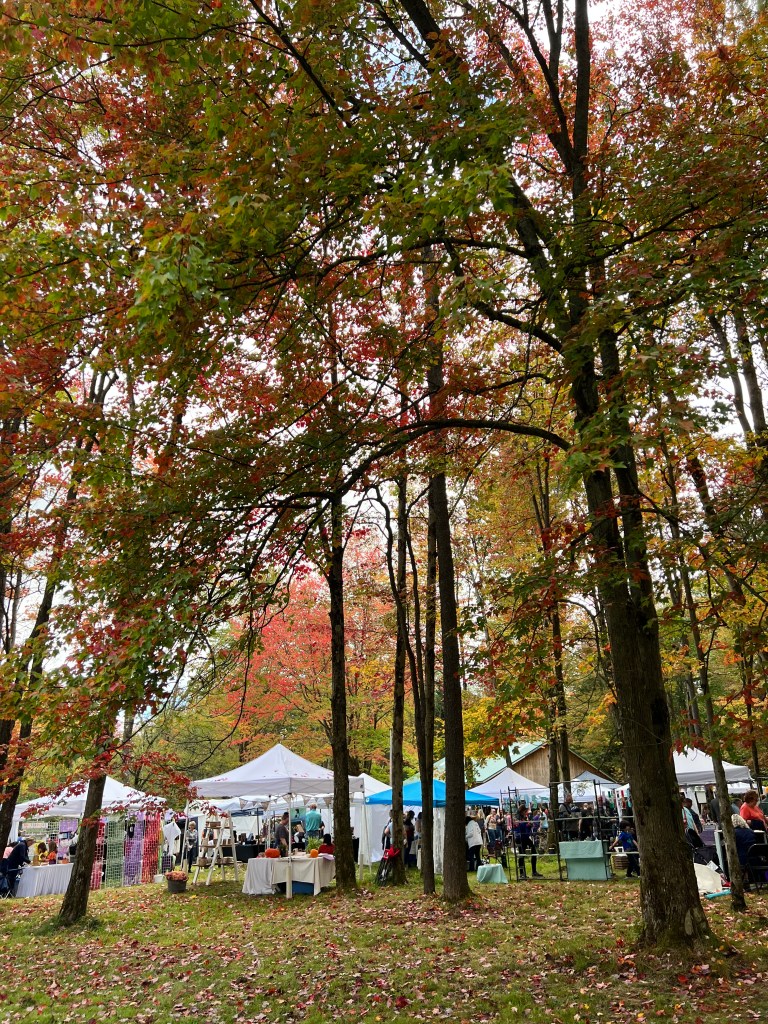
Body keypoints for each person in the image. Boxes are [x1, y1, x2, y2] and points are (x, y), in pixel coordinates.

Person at [514, 804, 543, 879]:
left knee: (534, 852)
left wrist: (529, 825)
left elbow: (526, 827)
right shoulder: (517, 817)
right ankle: (522, 873)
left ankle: (534, 871)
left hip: (526, 837)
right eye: (526, 811)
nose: (526, 812)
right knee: (522, 855)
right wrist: (527, 825)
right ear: (522, 811)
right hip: (520, 837)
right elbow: (519, 827)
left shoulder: (524, 817)